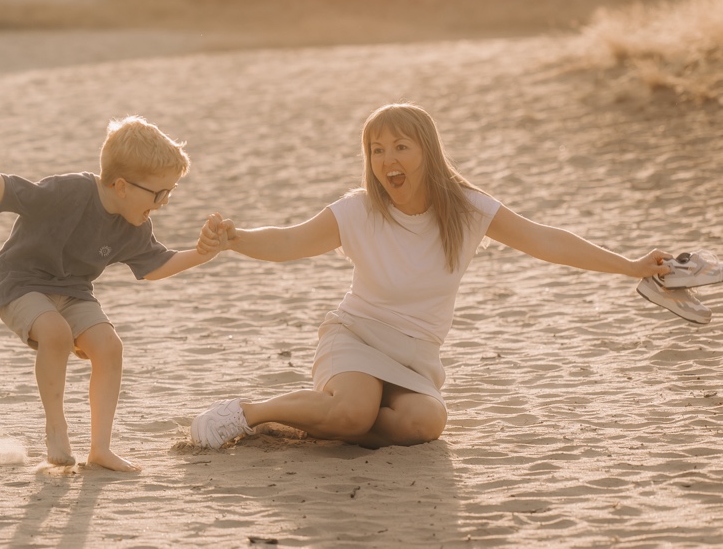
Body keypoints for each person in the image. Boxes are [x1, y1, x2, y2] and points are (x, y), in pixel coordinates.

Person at [190, 102, 670, 450]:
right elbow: (290, 241)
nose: (387, 161)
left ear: (429, 152)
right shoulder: (357, 210)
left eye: (401, 146)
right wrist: (236, 237)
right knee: (355, 411)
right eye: (377, 150)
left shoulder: (466, 210)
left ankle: (326, 421)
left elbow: (546, 239)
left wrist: (629, 265)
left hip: (416, 353)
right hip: (356, 335)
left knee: (424, 425)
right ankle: (248, 413)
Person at [0, 116, 223, 472]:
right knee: (56, 334)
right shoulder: (70, 191)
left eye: (170, 192)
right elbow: (11, 192)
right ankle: (56, 427)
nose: (165, 201)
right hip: (20, 282)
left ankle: (100, 448)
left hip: (73, 290)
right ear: (122, 186)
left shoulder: (134, 224)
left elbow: (155, 266)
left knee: (109, 346)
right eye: (159, 193)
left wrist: (203, 254)